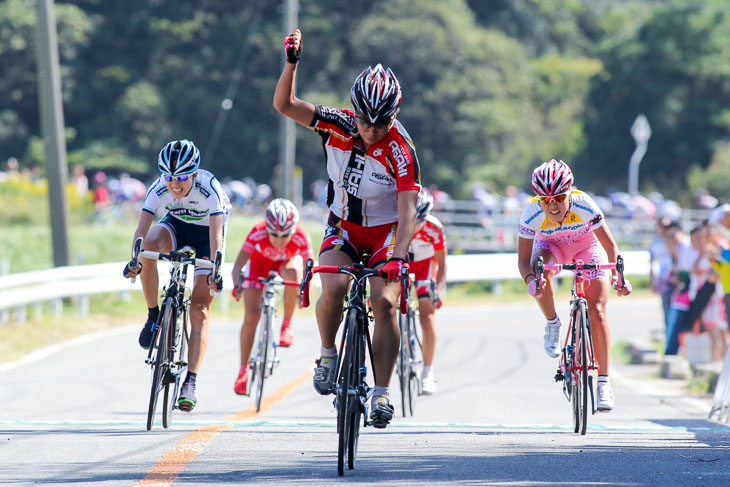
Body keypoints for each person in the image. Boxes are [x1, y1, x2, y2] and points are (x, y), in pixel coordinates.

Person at [273, 29, 421, 428]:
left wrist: (396, 256)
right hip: (344, 225)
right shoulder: (335, 124)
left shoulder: (401, 150)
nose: (371, 130)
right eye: (364, 121)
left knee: (384, 302)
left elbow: (409, 213)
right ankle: (327, 353)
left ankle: (382, 392)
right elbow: (284, 104)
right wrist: (292, 63)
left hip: (388, 232)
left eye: (381, 123)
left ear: (394, 115)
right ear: (352, 111)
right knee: (334, 286)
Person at [123, 139, 230, 412]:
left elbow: (216, 236)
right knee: (148, 248)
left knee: (200, 308)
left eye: (182, 177)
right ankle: (153, 315)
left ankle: (190, 382)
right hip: (177, 226)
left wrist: (215, 271)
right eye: (169, 177)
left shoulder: (210, 188)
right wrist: (134, 260)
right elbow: (141, 231)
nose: (175, 184)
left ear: (194, 173)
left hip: (207, 236)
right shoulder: (158, 188)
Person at [517, 159, 631, 412]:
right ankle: (552, 322)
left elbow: (610, 247)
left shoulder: (584, 204)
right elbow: (523, 261)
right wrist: (531, 281)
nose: (553, 205)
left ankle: (603, 382)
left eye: (558, 198)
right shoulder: (531, 212)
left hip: (587, 249)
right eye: (545, 200)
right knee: (540, 269)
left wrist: (618, 278)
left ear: (569, 193)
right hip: (551, 248)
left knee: (598, 311)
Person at [230, 198, 313, 395]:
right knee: (251, 317)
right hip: (259, 265)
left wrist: (303, 292)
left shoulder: (301, 235)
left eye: (285, 235)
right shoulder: (257, 231)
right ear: (266, 227)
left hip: (286, 264)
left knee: (293, 273)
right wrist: (236, 286)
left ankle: (287, 324)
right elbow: (237, 266)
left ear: (294, 230)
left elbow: (309, 269)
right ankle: (243, 370)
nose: (278, 239)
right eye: (273, 233)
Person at [408, 189, 447, 394]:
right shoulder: (393, 223)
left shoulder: (434, 229)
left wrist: (436, 293)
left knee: (427, 312)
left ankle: (428, 372)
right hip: (402, 265)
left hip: (425, 267)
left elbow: (442, 267)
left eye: (420, 219)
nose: (415, 224)